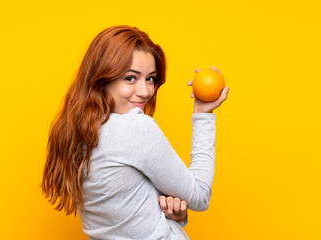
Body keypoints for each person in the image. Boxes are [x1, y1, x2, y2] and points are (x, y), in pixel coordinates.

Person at [42, 25, 229, 240]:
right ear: (102, 79)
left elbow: (124, 212)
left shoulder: (75, 133)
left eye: (150, 78)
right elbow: (200, 196)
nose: (145, 91)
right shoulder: (135, 128)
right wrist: (203, 115)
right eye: (130, 78)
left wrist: (173, 211)